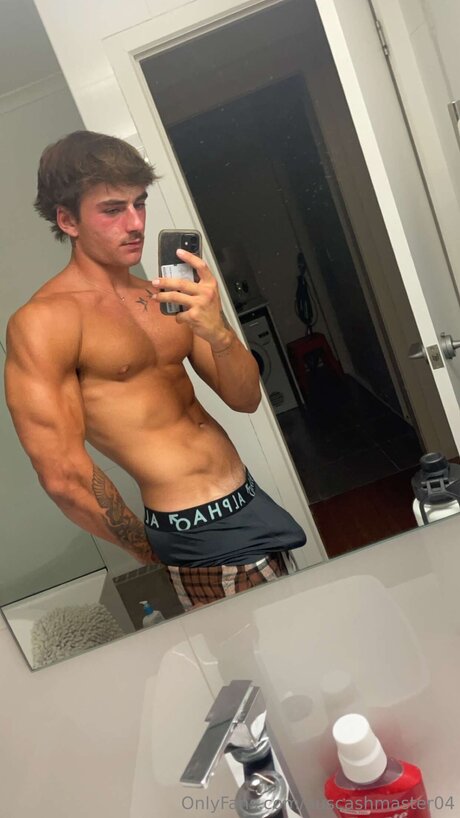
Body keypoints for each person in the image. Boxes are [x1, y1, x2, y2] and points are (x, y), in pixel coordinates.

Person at [4, 130, 306, 611]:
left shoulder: (164, 295)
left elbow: (247, 398)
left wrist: (218, 332)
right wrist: (158, 553)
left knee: (305, 631)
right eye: (112, 209)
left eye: (139, 204)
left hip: (248, 496)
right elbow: (62, 475)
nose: (135, 223)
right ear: (67, 220)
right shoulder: (46, 322)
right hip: (192, 530)